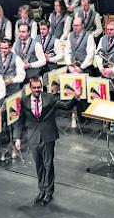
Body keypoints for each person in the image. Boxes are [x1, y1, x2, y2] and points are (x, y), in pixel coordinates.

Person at [13, 76, 81, 205]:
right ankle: (41, 190)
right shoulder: (24, 101)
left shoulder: (49, 98)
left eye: (39, 87)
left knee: (48, 164)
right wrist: (17, 138)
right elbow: (20, 120)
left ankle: (49, 192)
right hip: (33, 137)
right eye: (35, 88)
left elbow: (66, 106)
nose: (38, 90)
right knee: (39, 165)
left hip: (48, 136)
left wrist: (75, 98)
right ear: (30, 88)